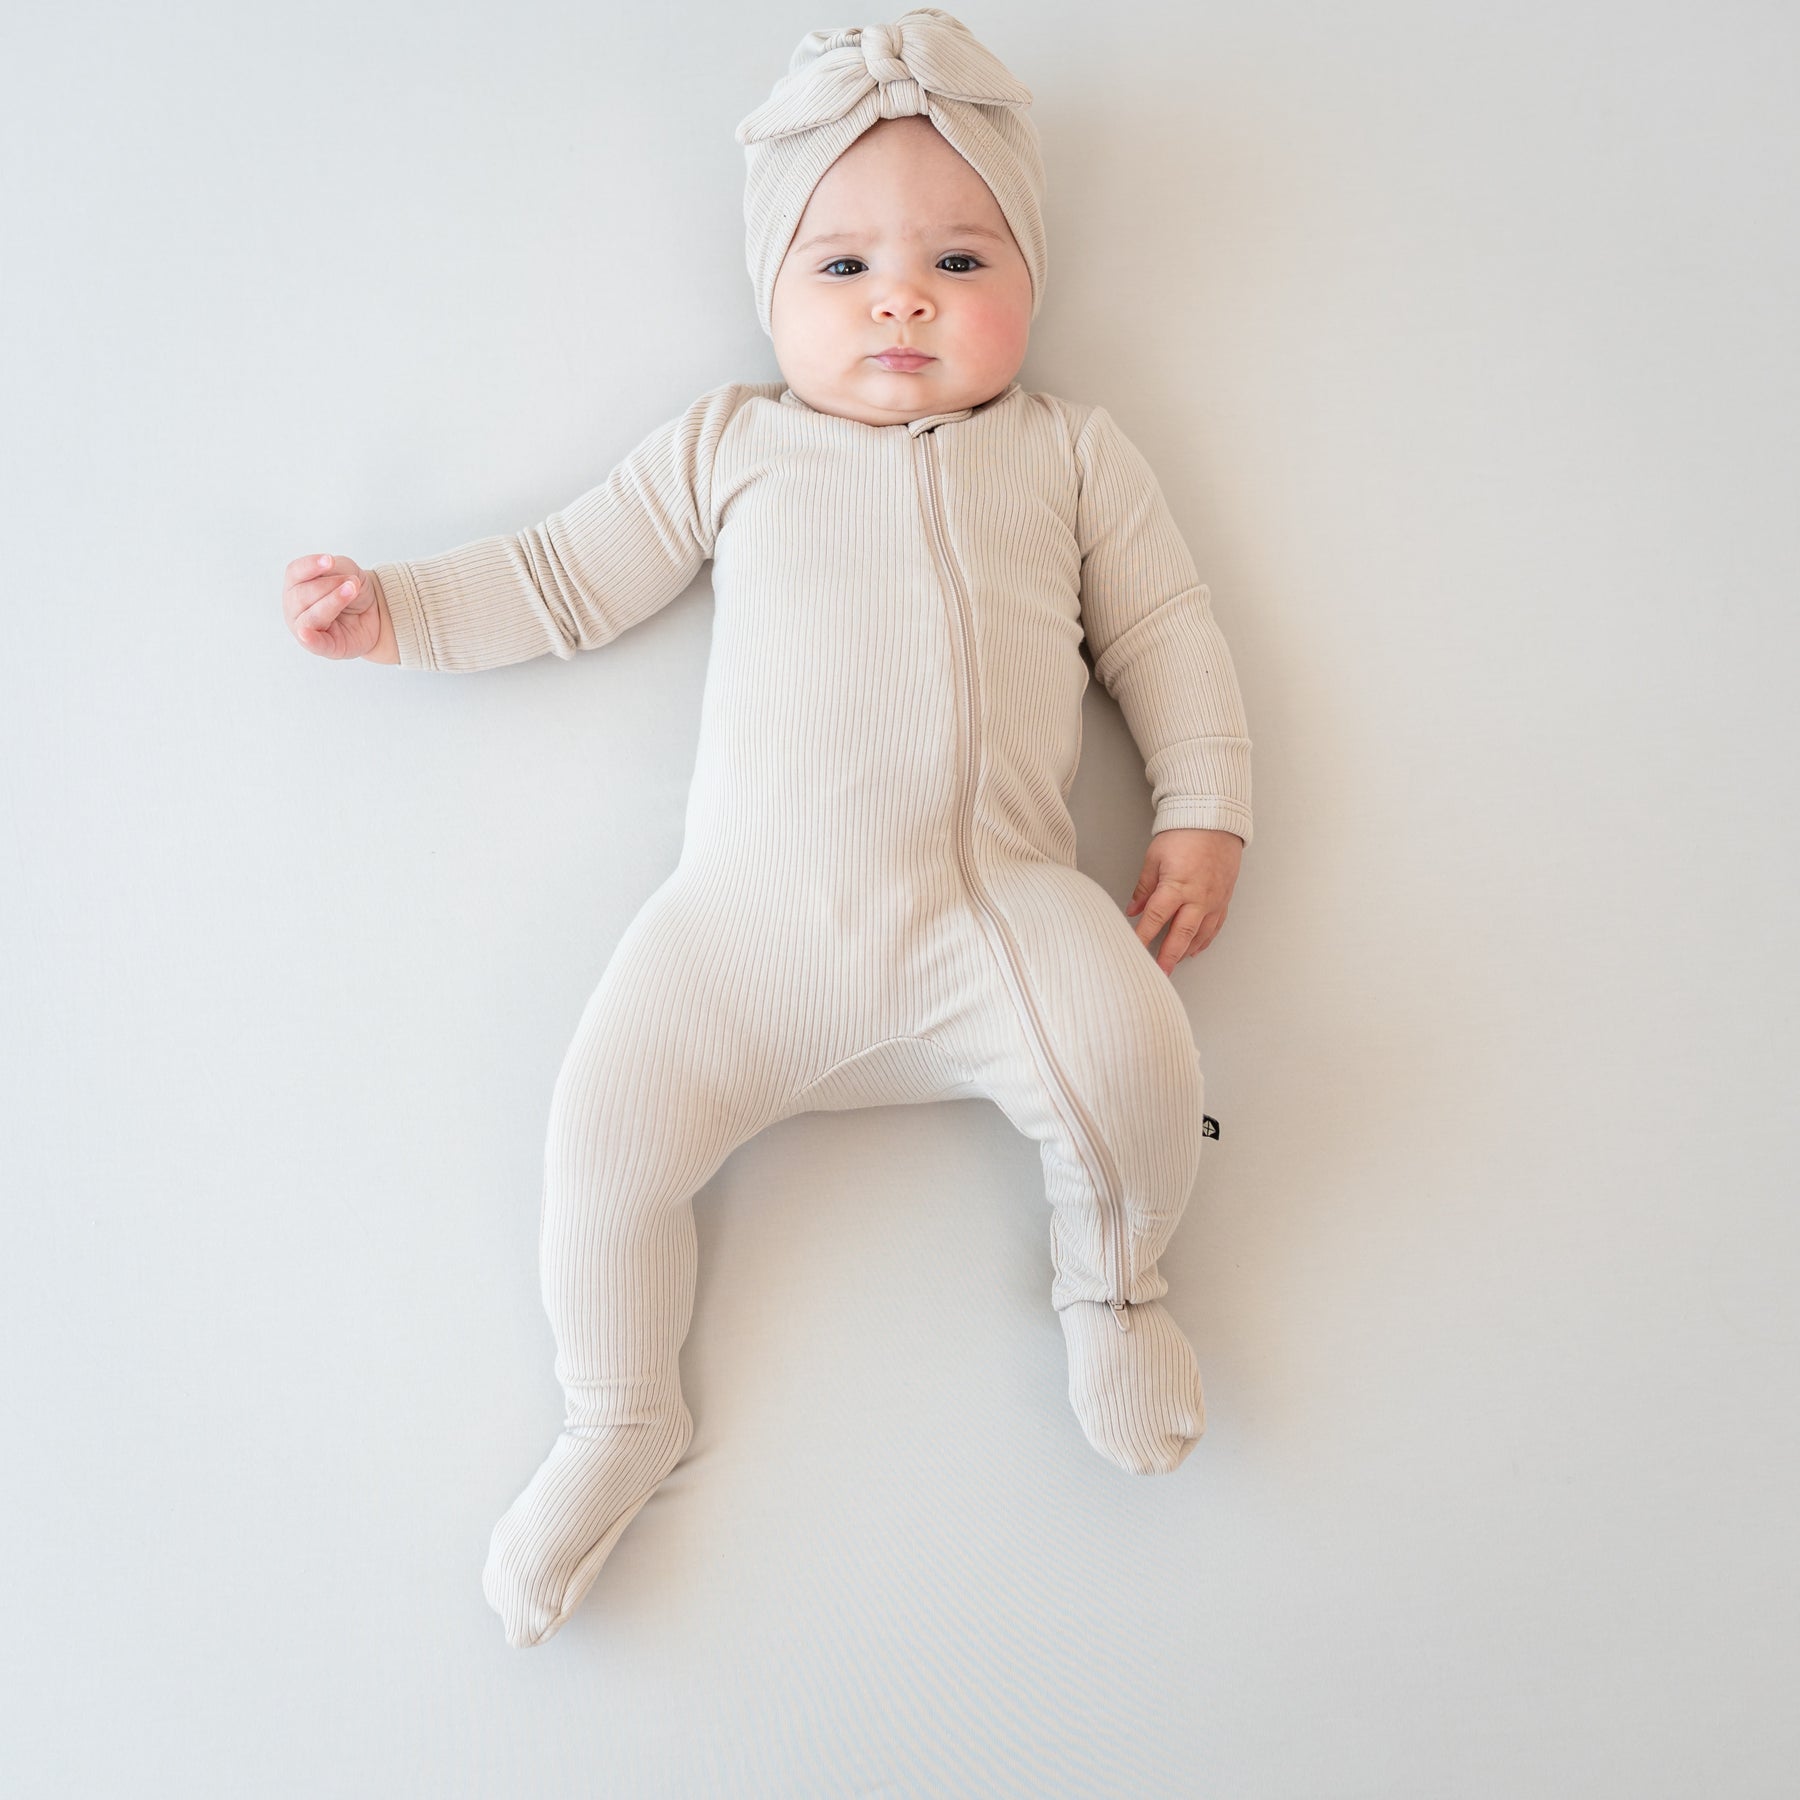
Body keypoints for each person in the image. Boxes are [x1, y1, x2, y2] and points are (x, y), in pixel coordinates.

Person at [280, 8, 1254, 1650]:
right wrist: (396, 614)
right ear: (772, 291)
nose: (902, 301)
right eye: (845, 268)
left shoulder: (1071, 456)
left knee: (1143, 1068)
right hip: (742, 939)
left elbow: (1166, 630)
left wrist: (1207, 806)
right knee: (599, 1150)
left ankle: (1117, 1288)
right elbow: (562, 579)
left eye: (959, 258)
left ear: (1029, 277)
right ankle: (618, 1413)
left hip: (1004, 915)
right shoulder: (733, 446)